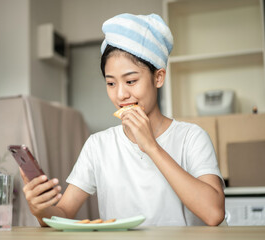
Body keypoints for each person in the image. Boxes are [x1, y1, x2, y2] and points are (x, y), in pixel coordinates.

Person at [21, 13, 225, 226]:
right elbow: (62, 212)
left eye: (131, 81)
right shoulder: (98, 145)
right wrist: (40, 209)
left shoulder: (191, 137)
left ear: (158, 77)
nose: (120, 95)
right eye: (111, 83)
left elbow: (213, 213)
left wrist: (151, 146)